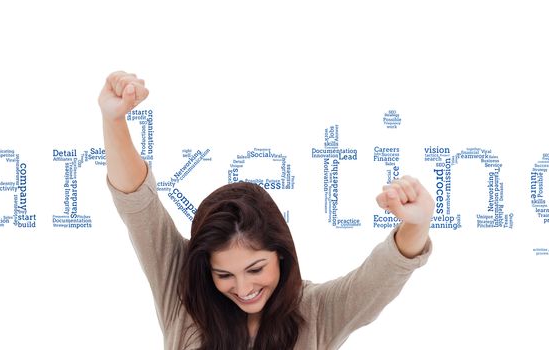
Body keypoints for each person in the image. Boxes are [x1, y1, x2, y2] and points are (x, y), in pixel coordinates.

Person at [100, 71, 433, 350]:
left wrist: (417, 224)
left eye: (256, 268)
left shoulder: (316, 311)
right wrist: (114, 120)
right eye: (224, 275)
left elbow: (379, 278)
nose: (243, 288)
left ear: (280, 254)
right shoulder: (183, 296)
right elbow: (139, 207)